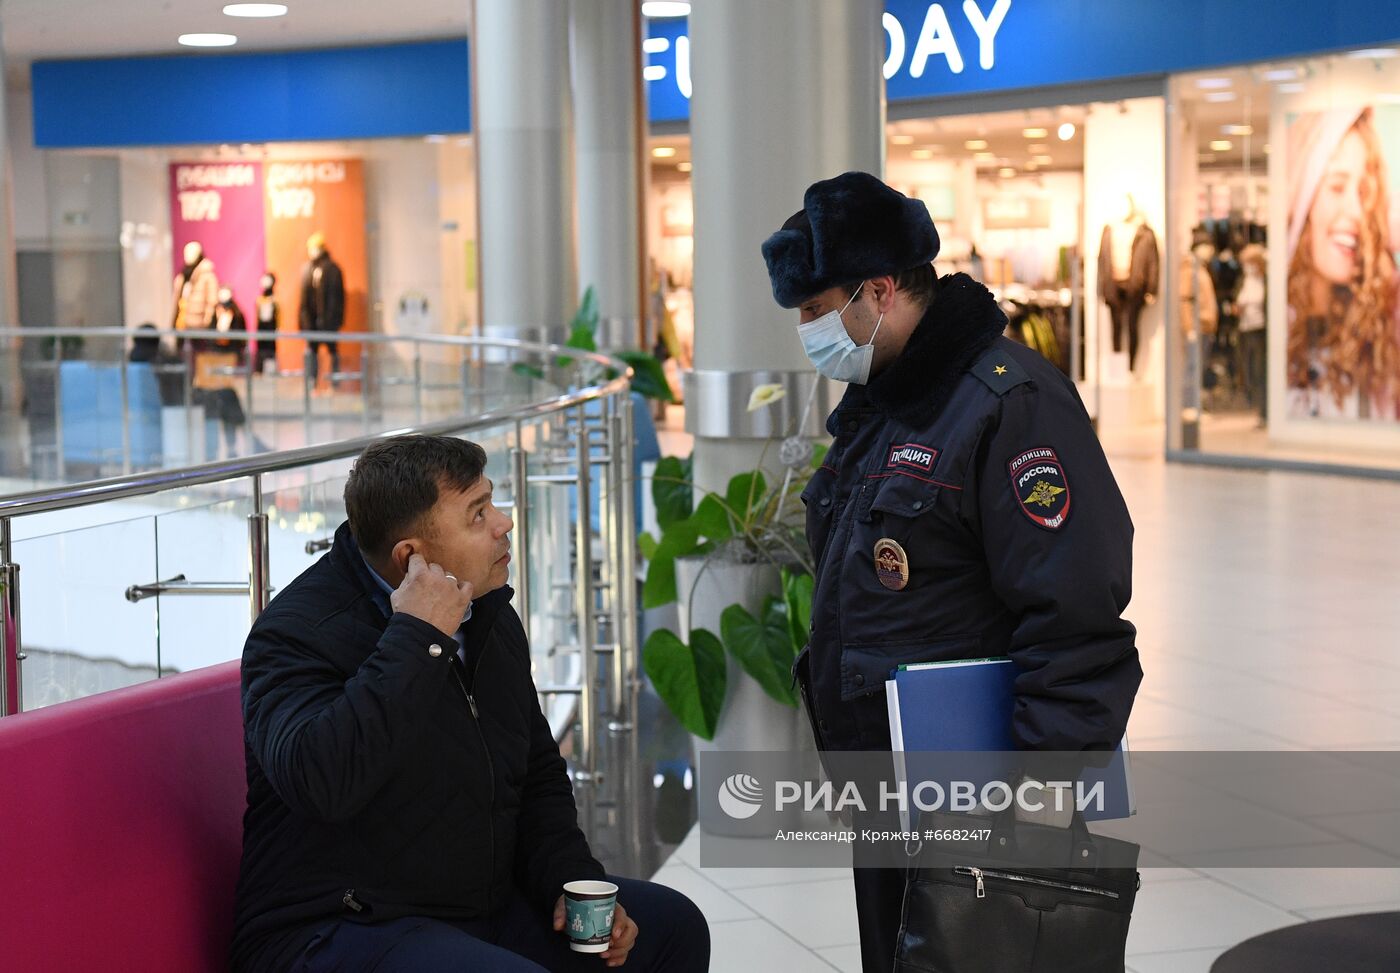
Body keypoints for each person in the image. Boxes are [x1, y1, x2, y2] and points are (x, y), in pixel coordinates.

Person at [761, 171, 1142, 972]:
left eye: (815, 311)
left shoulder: (1009, 403)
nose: (806, 332)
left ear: (880, 289)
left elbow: (1074, 607)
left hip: (984, 794)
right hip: (894, 789)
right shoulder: (886, 400)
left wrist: (1045, 789)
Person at [231, 435, 709, 973]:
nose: (504, 522)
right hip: (335, 929)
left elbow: (536, 773)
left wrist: (568, 880)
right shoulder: (296, 633)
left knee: (672, 927)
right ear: (411, 556)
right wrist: (417, 637)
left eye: (492, 501)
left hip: (474, 907)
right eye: (478, 514)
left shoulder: (487, 614)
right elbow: (324, 781)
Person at [1286, 106, 1400, 420]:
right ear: (1304, 201)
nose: (1356, 211)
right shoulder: (1282, 322)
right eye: (1337, 187)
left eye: (1365, 192)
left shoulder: (1385, 317)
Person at [299, 231, 346, 386]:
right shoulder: (307, 269)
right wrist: (304, 321)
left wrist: (334, 320)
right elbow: (304, 300)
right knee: (312, 352)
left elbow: (338, 298)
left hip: (329, 322)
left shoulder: (332, 269)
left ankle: (335, 383)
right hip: (311, 323)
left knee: (333, 352)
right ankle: (312, 383)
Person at [255, 272, 280, 374]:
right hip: (261, 328)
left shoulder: (275, 299)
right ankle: (259, 369)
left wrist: (278, 327)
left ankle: (270, 371)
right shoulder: (260, 299)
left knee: (270, 350)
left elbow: (278, 315)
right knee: (261, 349)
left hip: (271, 328)